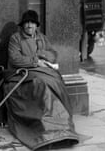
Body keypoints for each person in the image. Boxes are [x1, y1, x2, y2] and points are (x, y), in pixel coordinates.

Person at [5, 10, 79, 150]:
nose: (29, 26)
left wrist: (41, 54)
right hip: (22, 75)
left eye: (32, 23)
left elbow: (53, 54)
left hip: (42, 72)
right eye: (26, 23)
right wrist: (35, 62)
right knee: (42, 86)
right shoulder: (15, 38)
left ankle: (64, 129)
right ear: (22, 25)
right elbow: (14, 59)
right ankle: (47, 132)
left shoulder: (42, 38)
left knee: (57, 81)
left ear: (36, 25)